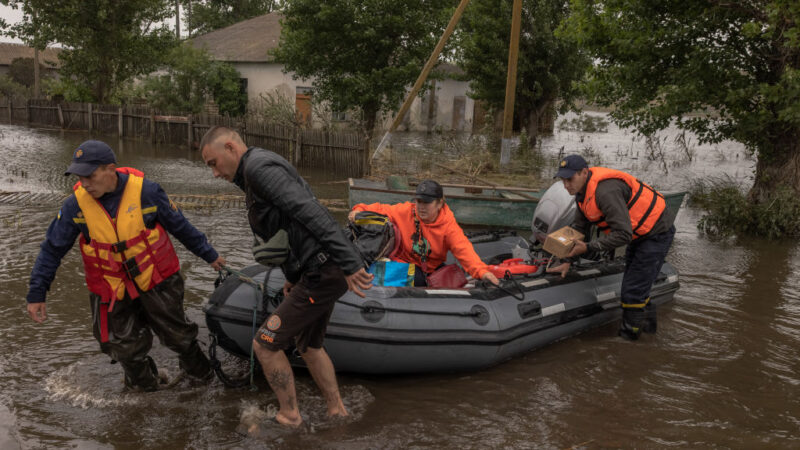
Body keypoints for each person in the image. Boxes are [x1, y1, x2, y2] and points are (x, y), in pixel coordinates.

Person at [198, 126, 373, 428]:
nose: (215, 174)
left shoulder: (259, 168)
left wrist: (349, 260)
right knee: (308, 345)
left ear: (230, 147)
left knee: (265, 344)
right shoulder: (253, 174)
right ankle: (337, 411)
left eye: (213, 163)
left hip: (325, 269)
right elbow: (288, 227)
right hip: (315, 269)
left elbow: (308, 210)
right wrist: (294, 274)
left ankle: (290, 416)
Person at [26, 140, 226, 392]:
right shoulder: (75, 206)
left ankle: (202, 379)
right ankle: (145, 388)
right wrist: (37, 293)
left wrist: (210, 255)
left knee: (178, 336)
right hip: (110, 287)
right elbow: (51, 250)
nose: (84, 183)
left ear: (111, 169)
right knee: (120, 346)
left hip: (156, 279)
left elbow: (181, 227)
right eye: (79, 176)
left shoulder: (147, 192)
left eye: (89, 175)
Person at [548, 154, 676, 340]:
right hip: (639, 236)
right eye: (563, 180)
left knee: (632, 292)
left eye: (570, 179)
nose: (566, 185)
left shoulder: (605, 192)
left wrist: (589, 247)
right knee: (637, 288)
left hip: (656, 233)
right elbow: (579, 229)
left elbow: (623, 234)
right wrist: (567, 260)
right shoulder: (582, 195)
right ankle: (649, 334)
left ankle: (628, 343)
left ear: (584, 173)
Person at [349, 180, 500, 287]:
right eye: (419, 201)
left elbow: (464, 251)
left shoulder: (448, 227)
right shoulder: (406, 211)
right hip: (401, 262)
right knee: (367, 267)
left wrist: (482, 272)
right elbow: (380, 208)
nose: (421, 207)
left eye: (426, 202)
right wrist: (359, 209)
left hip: (426, 271)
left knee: (417, 278)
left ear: (440, 203)